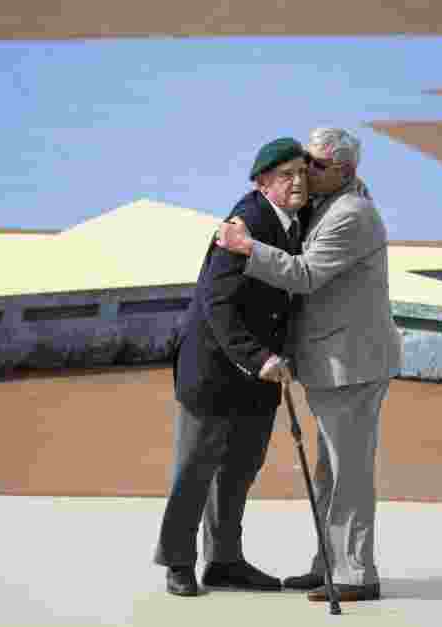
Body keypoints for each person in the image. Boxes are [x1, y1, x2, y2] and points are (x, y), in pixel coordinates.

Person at [215, 127, 401, 602]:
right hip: (334, 362)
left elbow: (306, 275)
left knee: (349, 474)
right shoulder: (335, 199)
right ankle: (329, 565)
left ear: (345, 171)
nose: (304, 170)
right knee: (330, 472)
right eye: (302, 161)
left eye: (315, 164)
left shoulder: (351, 215)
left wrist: (247, 248)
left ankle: (356, 574)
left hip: (351, 365)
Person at [154, 137, 310, 597]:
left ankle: (224, 561)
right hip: (215, 372)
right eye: (287, 175)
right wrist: (259, 357)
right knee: (195, 471)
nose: (299, 181)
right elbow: (215, 303)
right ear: (263, 182)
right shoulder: (246, 222)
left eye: (303, 171)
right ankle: (178, 561)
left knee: (239, 470)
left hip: (257, 380)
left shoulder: (294, 219)